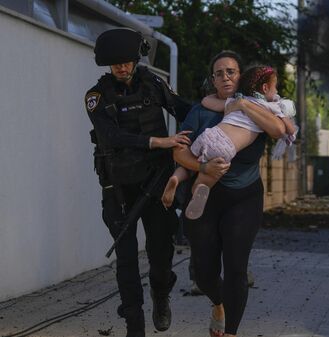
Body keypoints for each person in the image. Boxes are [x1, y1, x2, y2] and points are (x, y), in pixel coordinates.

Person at [84, 28, 204, 337]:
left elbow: (180, 108)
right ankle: (134, 326)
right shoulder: (96, 96)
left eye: (126, 62)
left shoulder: (152, 84)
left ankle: (160, 295)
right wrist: (158, 141)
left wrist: (218, 114)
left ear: (135, 59)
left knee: (160, 253)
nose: (122, 68)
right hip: (118, 187)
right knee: (126, 258)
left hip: (156, 183)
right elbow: (112, 136)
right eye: (115, 64)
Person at [173, 51, 286, 337]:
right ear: (212, 79)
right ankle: (218, 301)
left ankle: (232, 331)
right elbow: (179, 151)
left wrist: (245, 107)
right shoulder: (199, 112)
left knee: (236, 267)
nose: (225, 77)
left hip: (244, 196)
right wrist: (202, 165)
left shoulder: (257, 106)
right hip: (206, 195)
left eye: (231, 71)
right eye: (219, 73)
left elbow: (278, 129)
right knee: (204, 273)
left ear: (241, 76)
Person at [161, 65, 296, 219]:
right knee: (208, 176)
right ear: (265, 88)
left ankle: (175, 178)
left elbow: (207, 101)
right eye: (275, 88)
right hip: (226, 147)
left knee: (189, 162)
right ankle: (199, 190)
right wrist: (286, 117)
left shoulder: (237, 100)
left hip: (210, 134)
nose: (277, 92)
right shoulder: (272, 107)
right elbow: (288, 130)